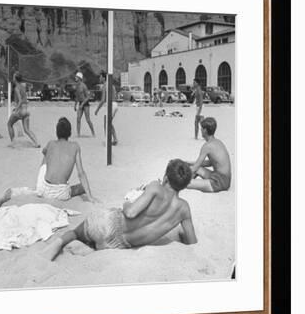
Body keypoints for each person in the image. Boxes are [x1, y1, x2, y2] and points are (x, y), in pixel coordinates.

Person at [41, 159, 197, 260]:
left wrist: (127, 201)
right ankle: (92, 248)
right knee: (95, 242)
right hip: (120, 245)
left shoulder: (156, 187)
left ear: (165, 178)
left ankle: (57, 245)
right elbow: (192, 242)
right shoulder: (184, 209)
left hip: (110, 224)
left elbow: (130, 213)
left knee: (75, 233)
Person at [36, 117, 97, 202]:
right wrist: (90, 197)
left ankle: (40, 186)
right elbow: (81, 173)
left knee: (46, 154)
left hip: (43, 190)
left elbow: (44, 158)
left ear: (57, 132)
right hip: (61, 193)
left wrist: (48, 153)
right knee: (81, 187)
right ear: (70, 133)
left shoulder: (50, 143)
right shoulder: (75, 146)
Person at [187, 117, 231, 193]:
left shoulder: (207, 146)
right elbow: (210, 163)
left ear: (205, 130)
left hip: (219, 182)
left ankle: (183, 181)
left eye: (201, 128)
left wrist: (180, 169)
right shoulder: (218, 142)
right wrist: (189, 163)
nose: (200, 130)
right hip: (224, 179)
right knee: (193, 168)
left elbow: (195, 168)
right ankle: (187, 179)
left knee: (183, 183)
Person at [7, 73, 40, 148]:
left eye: (13, 77)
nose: (12, 78)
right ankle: (36, 143)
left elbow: (20, 100)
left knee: (9, 124)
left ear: (15, 79)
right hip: (26, 110)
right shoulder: (23, 86)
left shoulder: (16, 88)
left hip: (21, 110)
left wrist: (16, 109)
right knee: (27, 130)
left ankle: (13, 142)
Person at [94, 71, 119, 145]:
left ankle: (107, 140)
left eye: (100, 77)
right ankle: (115, 139)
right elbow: (115, 95)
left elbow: (102, 100)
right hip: (115, 104)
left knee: (106, 123)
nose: (99, 78)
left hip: (111, 105)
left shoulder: (105, 85)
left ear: (104, 78)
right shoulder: (112, 84)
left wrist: (97, 110)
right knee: (109, 123)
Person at [74, 72, 95, 137]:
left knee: (88, 120)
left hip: (85, 104)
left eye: (76, 77)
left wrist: (82, 104)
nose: (75, 78)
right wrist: (75, 105)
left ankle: (93, 133)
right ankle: (78, 134)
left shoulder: (83, 86)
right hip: (80, 103)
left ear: (79, 78)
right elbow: (77, 96)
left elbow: (88, 97)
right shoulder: (77, 86)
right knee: (78, 119)